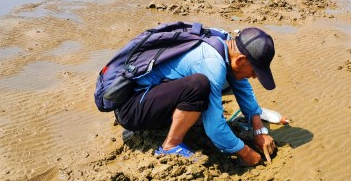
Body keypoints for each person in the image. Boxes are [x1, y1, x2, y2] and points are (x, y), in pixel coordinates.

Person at [113, 26, 278, 166]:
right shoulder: (211, 62)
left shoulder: (226, 42)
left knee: (205, 90)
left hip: (151, 97)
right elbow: (215, 129)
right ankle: (170, 146)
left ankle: (174, 125)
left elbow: (242, 86)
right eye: (255, 71)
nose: (254, 77)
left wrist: (259, 130)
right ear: (241, 60)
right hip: (131, 110)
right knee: (199, 86)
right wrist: (246, 153)